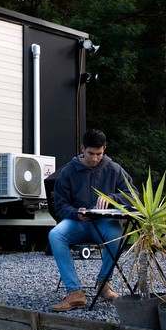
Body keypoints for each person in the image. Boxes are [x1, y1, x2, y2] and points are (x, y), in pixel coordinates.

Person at [48, 128, 137, 312]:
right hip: (78, 222)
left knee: (116, 235)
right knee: (55, 235)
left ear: (104, 149)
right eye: (90, 154)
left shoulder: (113, 168)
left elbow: (133, 195)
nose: (95, 158)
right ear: (82, 148)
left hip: (104, 222)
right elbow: (60, 205)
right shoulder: (68, 171)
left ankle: (104, 284)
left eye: (99, 154)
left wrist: (113, 198)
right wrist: (75, 213)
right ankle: (75, 293)